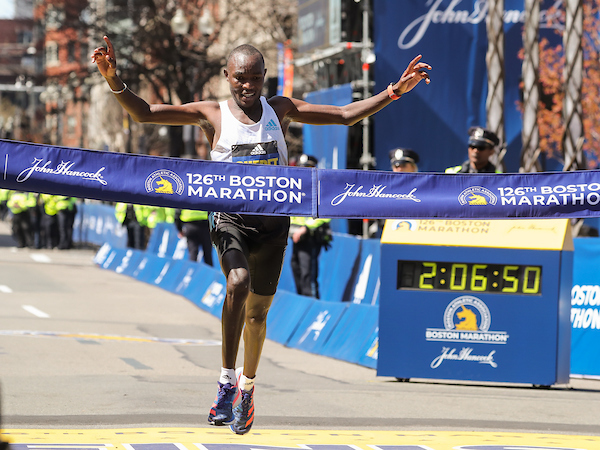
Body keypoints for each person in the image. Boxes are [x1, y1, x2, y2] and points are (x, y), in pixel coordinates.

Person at [92, 35, 431, 435]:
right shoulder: (212, 114)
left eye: (255, 78)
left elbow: (343, 115)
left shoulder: (280, 109)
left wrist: (393, 92)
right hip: (229, 220)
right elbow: (146, 113)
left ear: (265, 77)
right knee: (237, 282)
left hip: (273, 226)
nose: (247, 87)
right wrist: (113, 79)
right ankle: (225, 382)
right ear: (226, 77)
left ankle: (248, 391)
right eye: (239, 79)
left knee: (257, 314)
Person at [290, 154, 332, 299]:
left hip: (310, 238)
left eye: (307, 168)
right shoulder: (296, 187)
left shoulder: (320, 188)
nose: (304, 171)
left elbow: (325, 215)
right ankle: (303, 303)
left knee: (308, 274)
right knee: (296, 270)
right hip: (295, 238)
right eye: (302, 168)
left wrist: (305, 228)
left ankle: (311, 303)